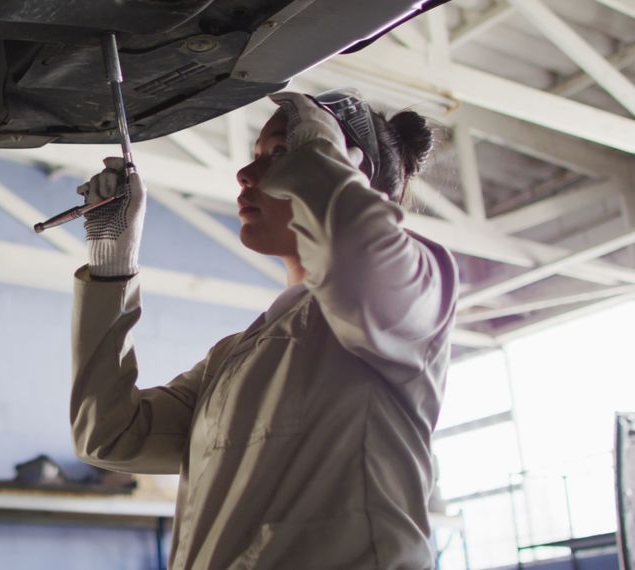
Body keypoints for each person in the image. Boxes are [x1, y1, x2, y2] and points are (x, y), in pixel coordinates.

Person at [69, 91, 458, 569]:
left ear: (349, 173)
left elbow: (358, 262)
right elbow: (112, 436)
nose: (245, 175)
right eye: (257, 157)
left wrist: (318, 150)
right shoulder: (233, 358)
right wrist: (112, 266)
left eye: (281, 154)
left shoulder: (416, 289)